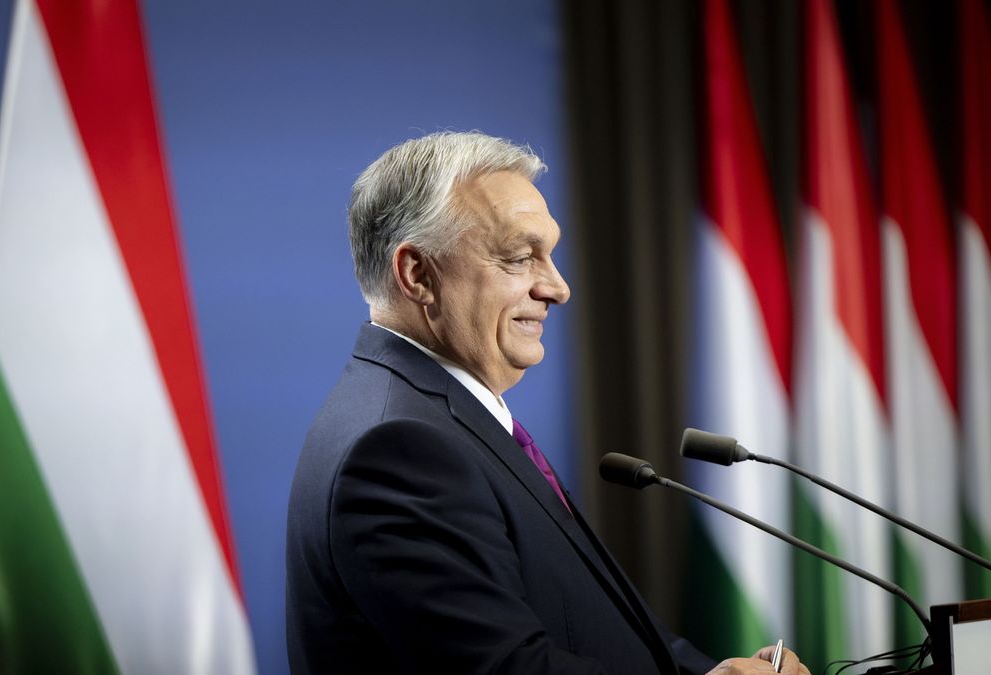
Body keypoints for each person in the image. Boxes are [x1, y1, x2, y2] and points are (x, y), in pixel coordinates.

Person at [285, 131, 807, 674]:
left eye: (550, 255)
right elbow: (508, 668)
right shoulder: (399, 447)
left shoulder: (438, 416)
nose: (557, 288)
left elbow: (600, 629)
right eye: (519, 257)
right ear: (417, 274)